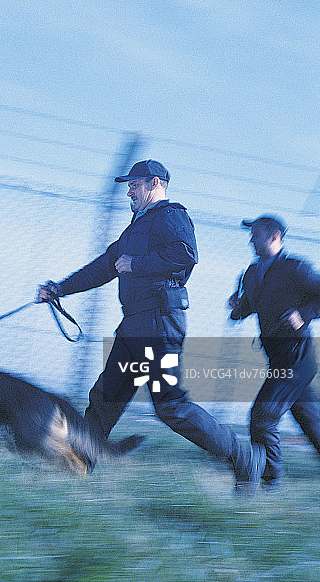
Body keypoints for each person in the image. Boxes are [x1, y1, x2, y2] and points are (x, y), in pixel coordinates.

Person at [39, 160, 264, 492]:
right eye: (128, 185)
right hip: (134, 326)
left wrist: (137, 263)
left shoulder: (170, 216)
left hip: (159, 326)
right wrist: (60, 289)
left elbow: (186, 256)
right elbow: (104, 267)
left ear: (155, 183)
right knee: (106, 397)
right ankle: (80, 462)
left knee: (170, 405)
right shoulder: (134, 229)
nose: (129, 189)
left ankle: (243, 458)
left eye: (135, 184)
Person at [228, 215, 320, 488]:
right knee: (314, 427)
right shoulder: (251, 273)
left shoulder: (295, 269)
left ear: (275, 236)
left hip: (298, 357)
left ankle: (268, 481)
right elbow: (246, 308)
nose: (251, 239)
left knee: (263, 416)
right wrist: (237, 308)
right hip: (277, 358)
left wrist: (305, 313)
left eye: (256, 234)